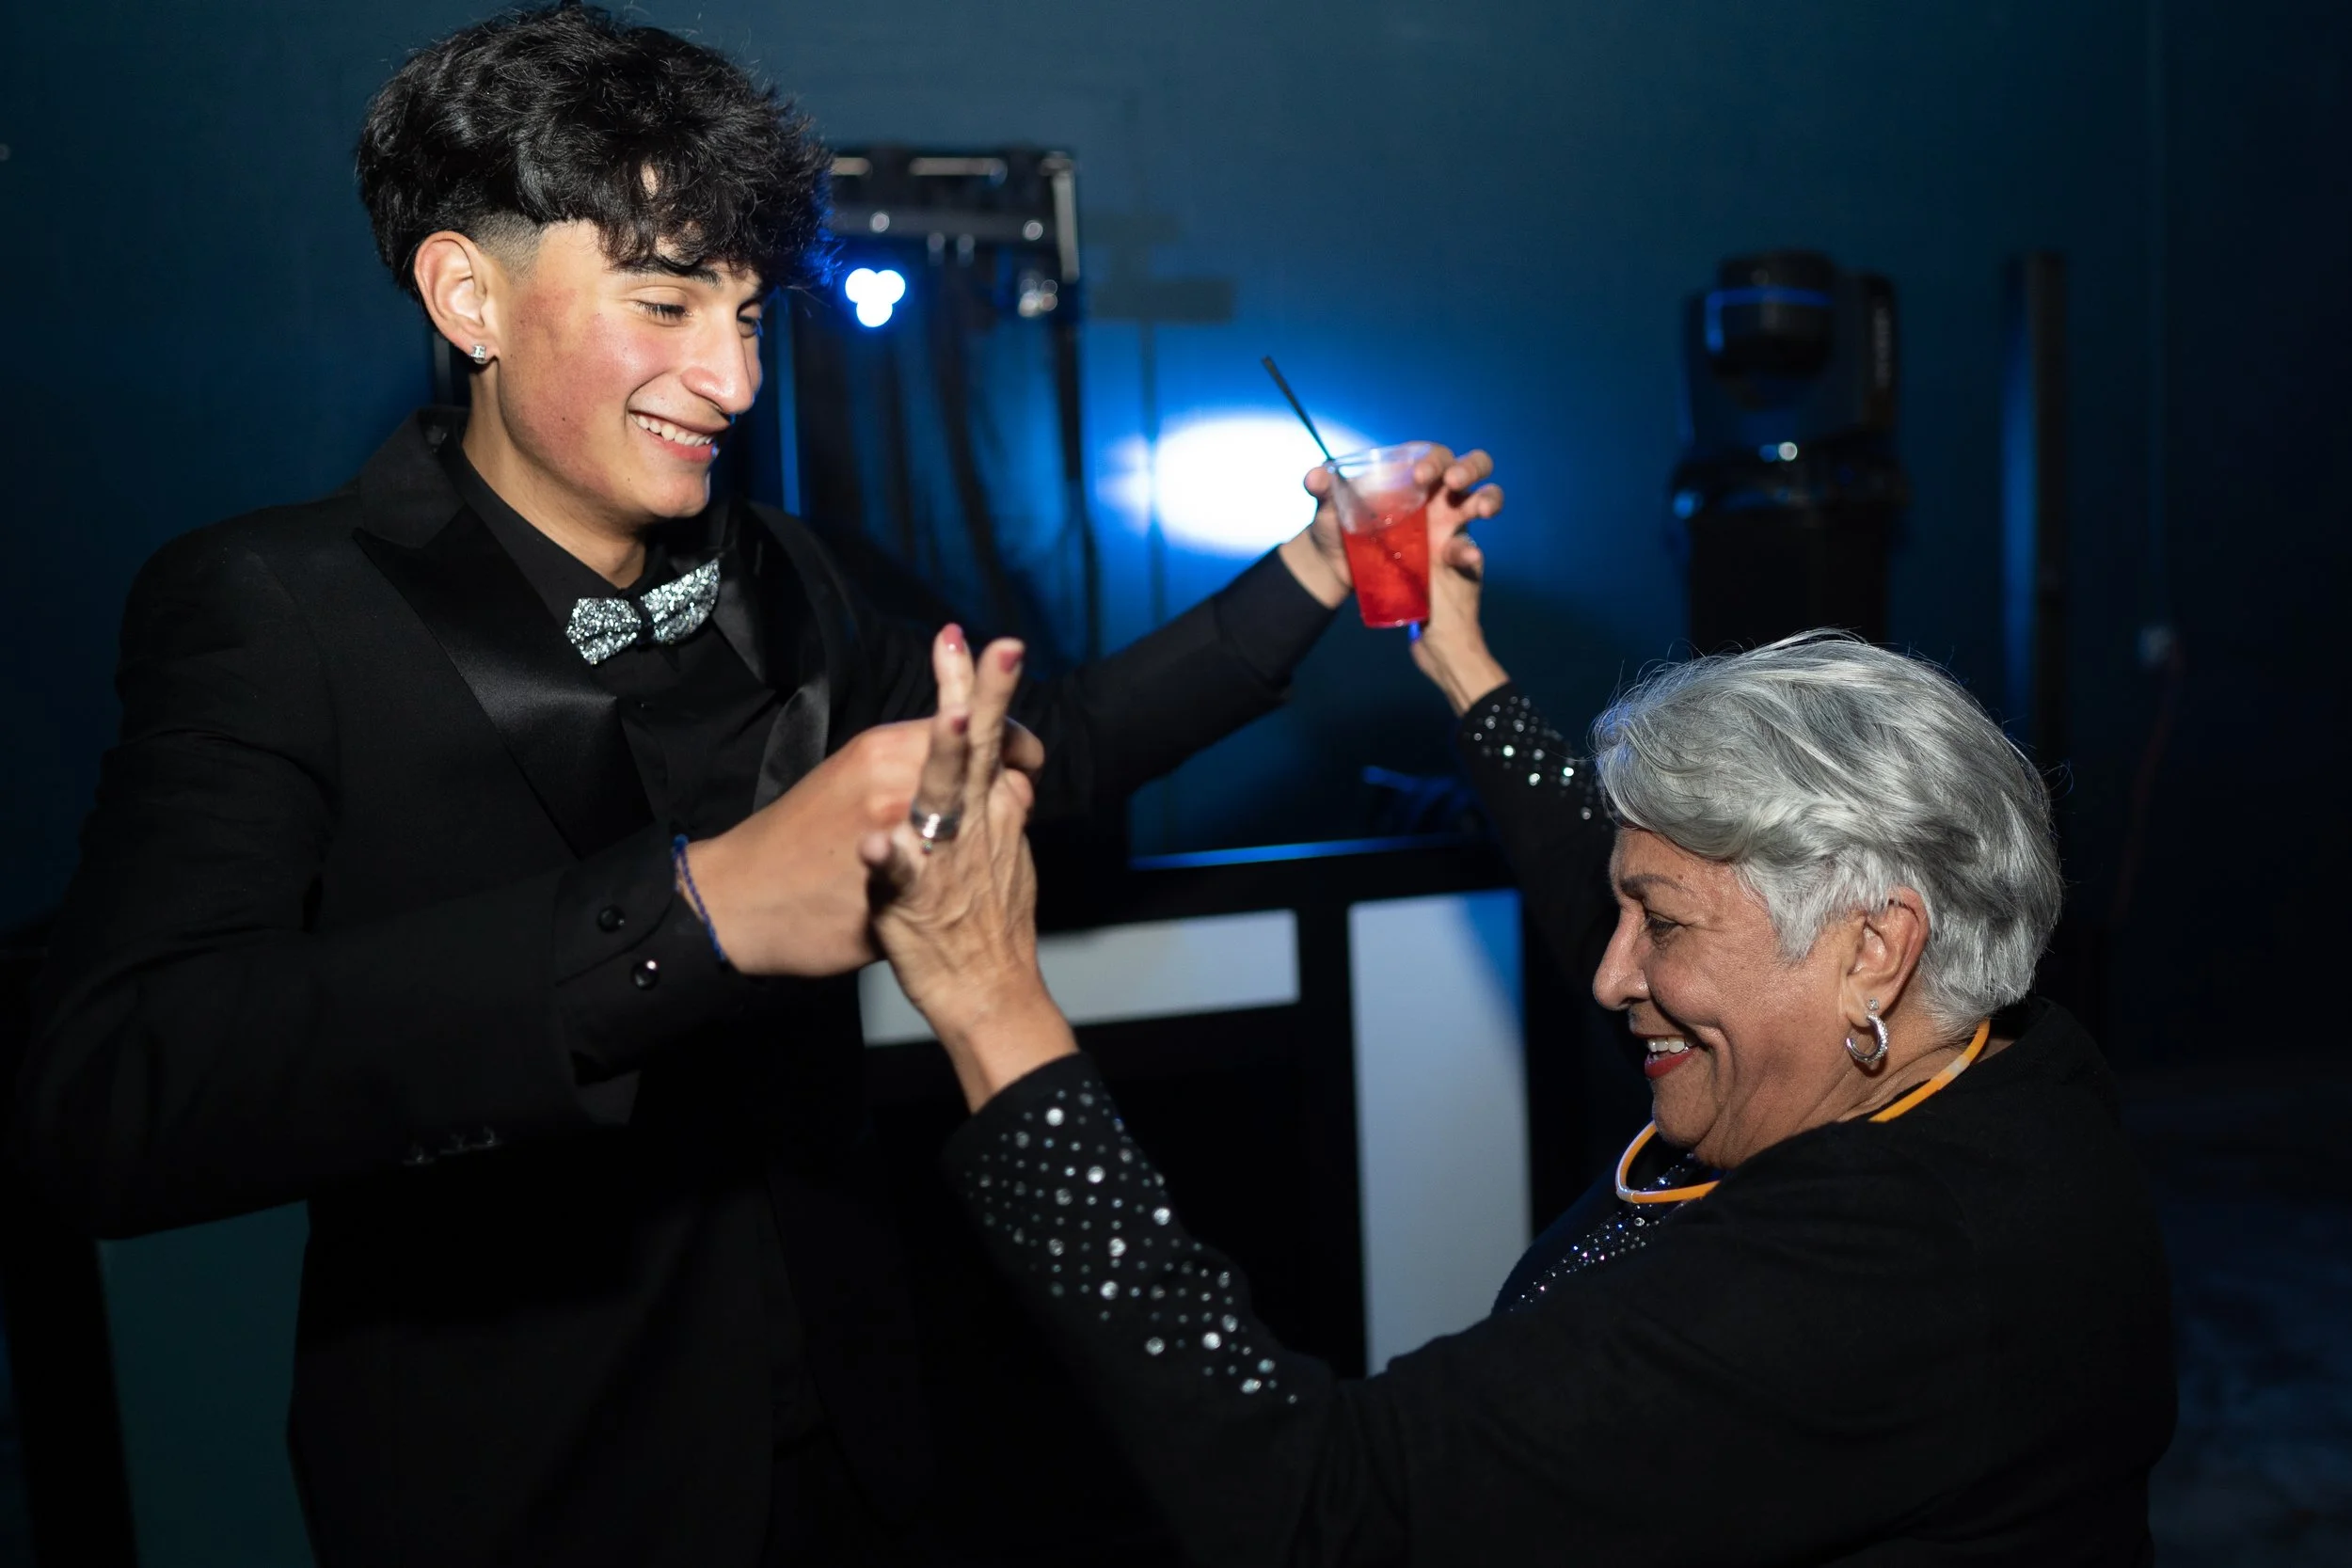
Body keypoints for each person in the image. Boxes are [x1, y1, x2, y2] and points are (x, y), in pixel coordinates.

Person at [10, 7, 1505, 1565]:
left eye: (747, 314)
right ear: (468, 296)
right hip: (524, 1489)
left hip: (859, 1443)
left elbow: (1039, 754)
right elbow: (110, 1095)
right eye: (666, 303)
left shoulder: (781, 574)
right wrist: (692, 912)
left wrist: (1318, 567)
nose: (732, 377)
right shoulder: (274, 605)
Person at [864, 555, 2177, 1561]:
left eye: (1662, 925)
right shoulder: (1984, 1049)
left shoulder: (1885, 1275)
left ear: (1873, 948)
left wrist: (992, 1006)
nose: (1613, 974)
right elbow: (1591, 882)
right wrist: (1458, 658)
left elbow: (1313, 1506)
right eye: (1626, 913)